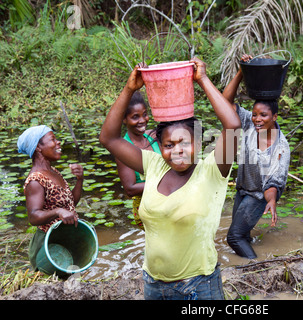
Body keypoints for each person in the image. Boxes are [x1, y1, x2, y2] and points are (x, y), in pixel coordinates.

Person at [99, 57, 241, 300]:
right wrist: (129, 89)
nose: (177, 150)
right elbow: (109, 138)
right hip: (154, 285)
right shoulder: (153, 165)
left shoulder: (212, 170)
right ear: (160, 146)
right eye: (169, 144)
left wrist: (203, 79)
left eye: (185, 142)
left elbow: (233, 125)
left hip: (198, 285)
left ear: (197, 143)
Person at [222, 54, 291, 259]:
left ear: (275, 117)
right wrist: (242, 72)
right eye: (255, 114)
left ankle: (254, 268)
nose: (257, 119)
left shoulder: (281, 148)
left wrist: (271, 201)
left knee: (234, 237)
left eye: (263, 115)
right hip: (242, 191)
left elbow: (274, 182)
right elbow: (225, 102)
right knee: (244, 235)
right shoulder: (249, 125)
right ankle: (249, 258)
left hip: (259, 196)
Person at [17, 125, 84, 272]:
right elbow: (34, 217)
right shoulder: (35, 180)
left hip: (62, 240)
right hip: (47, 247)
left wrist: (79, 179)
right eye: (52, 139)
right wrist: (58, 211)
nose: (58, 142)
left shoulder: (53, 172)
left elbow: (71, 203)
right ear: (38, 148)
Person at [116, 91, 161, 229]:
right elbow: (130, 189)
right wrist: (165, 182)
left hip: (166, 199)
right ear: (124, 119)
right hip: (147, 206)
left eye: (145, 114)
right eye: (135, 117)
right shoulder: (123, 148)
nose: (142, 120)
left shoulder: (153, 136)